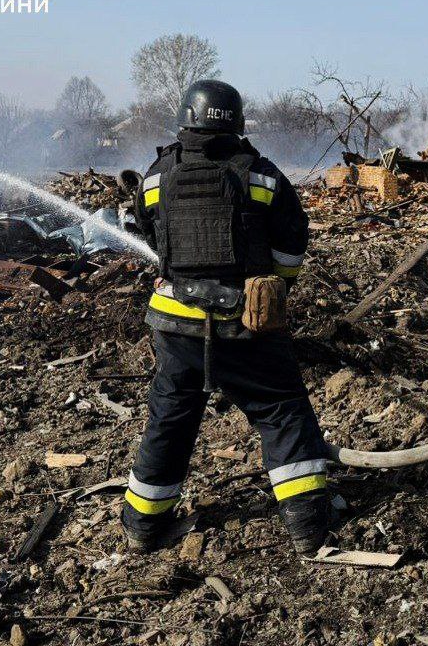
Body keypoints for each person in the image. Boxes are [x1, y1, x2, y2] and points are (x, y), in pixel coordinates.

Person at [123, 79, 331, 554]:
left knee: (170, 418)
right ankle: (308, 529)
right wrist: (274, 287)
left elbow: (153, 239)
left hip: (176, 327)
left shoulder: (155, 177)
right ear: (237, 124)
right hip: (248, 326)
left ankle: (142, 525)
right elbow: (291, 245)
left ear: (184, 122)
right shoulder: (263, 176)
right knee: (281, 411)